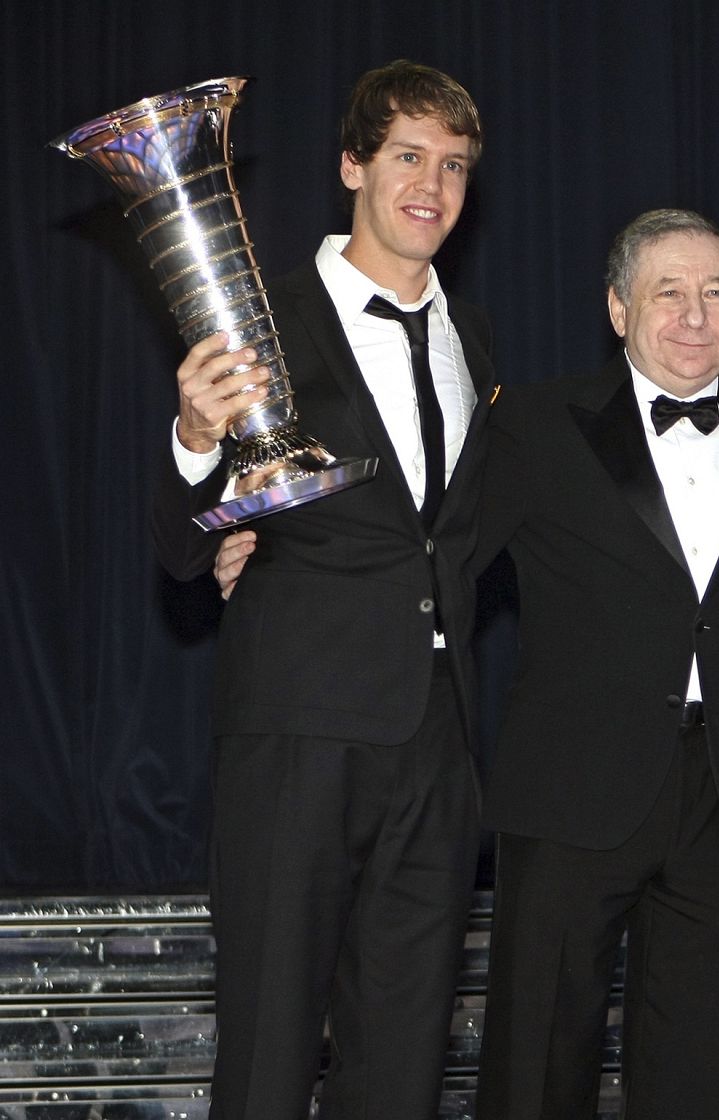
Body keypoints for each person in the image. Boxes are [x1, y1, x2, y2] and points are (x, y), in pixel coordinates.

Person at [152, 61, 490, 1119]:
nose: (431, 184)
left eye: (454, 165)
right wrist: (195, 442)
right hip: (297, 731)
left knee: (401, 1059)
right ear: (353, 165)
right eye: (407, 157)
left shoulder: (471, 339)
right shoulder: (260, 319)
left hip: (438, 742)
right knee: (267, 1045)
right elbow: (173, 545)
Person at [470, 209, 719, 1119]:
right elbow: (436, 560)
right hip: (569, 790)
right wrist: (271, 555)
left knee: (703, 1075)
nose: (694, 315)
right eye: (668, 292)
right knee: (537, 1067)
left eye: (715, 292)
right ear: (618, 308)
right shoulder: (537, 425)